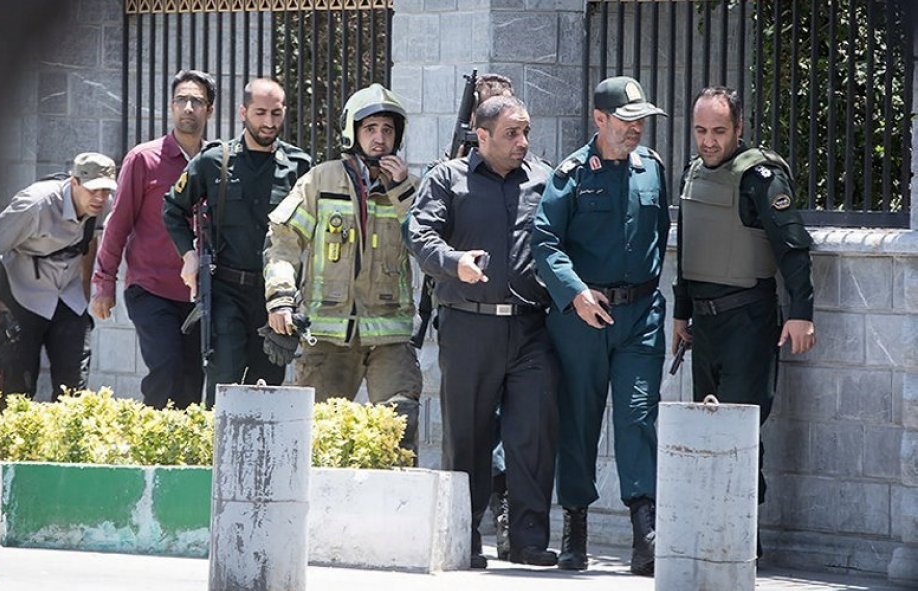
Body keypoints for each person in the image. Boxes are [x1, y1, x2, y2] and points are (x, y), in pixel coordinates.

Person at [408, 95, 559, 569]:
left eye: (526, 132)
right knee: (467, 435)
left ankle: (528, 538)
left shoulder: (544, 178)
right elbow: (420, 233)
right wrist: (454, 262)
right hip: (468, 325)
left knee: (532, 431)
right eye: (512, 133)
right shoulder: (447, 178)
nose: (523, 142)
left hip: (531, 326)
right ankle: (465, 535)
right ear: (483, 134)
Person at [532, 76, 670, 576]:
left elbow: (659, 237)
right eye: (627, 121)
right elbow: (545, 243)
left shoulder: (651, 168)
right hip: (584, 317)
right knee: (579, 420)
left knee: (638, 417)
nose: (636, 130)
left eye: (641, 122)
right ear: (600, 119)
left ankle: (645, 532)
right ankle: (576, 526)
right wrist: (576, 294)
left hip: (640, 315)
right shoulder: (569, 174)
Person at [671, 86, 815, 557]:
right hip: (705, 328)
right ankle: (714, 534)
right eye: (700, 131)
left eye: (718, 131)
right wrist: (680, 312)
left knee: (738, 431)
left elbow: (792, 248)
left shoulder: (760, 178)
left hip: (749, 323)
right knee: (705, 432)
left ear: (738, 129)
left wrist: (801, 312)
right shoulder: (693, 173)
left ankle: (741, 541)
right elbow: (688, 249)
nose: (708, 141)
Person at [263, 83, 422, 456]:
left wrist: (401, 192)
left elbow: (427, 245)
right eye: (370, 129)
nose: (380, 139)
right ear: (353, 131)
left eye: (387, 130)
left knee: (399, 427)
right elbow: (283, 244)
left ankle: (396, 510)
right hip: (327, 336)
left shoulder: (409, 188)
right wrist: (280, 300)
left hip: (390, 336)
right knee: (317, 436)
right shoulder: (320, 180)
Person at [163, 78, 311, 407]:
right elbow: (173, 208)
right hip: (226, 291)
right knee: (225, 386)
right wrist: (188, 254)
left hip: (274, 297)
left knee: (267, 389)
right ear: (243, 112)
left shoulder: (300, 167)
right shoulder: (214, 160)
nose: (269, 122)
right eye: (260, 113)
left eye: (276, 113)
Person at [91, 69, 216, 409]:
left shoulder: (217, 162)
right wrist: (104, 283)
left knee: (193, 379)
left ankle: (182, 454)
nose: (188, 107)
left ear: (209, 110)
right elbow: (117, 224)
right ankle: (152, 439)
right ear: (171, 107)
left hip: (198, 294)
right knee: (165, 366)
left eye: (197, 101)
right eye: (181, 100)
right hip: (150, 288)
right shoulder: (144, 159)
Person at [0, 152, 116, 399]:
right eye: (93, 190)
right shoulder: (36, 203)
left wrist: (85, 290)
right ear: (75, 183)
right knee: (16, 385)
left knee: (75, 388)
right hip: (23, 293)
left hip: (68, 295)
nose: (100, 197)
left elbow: (90, 241)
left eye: (105, 190)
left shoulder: (105, 205)